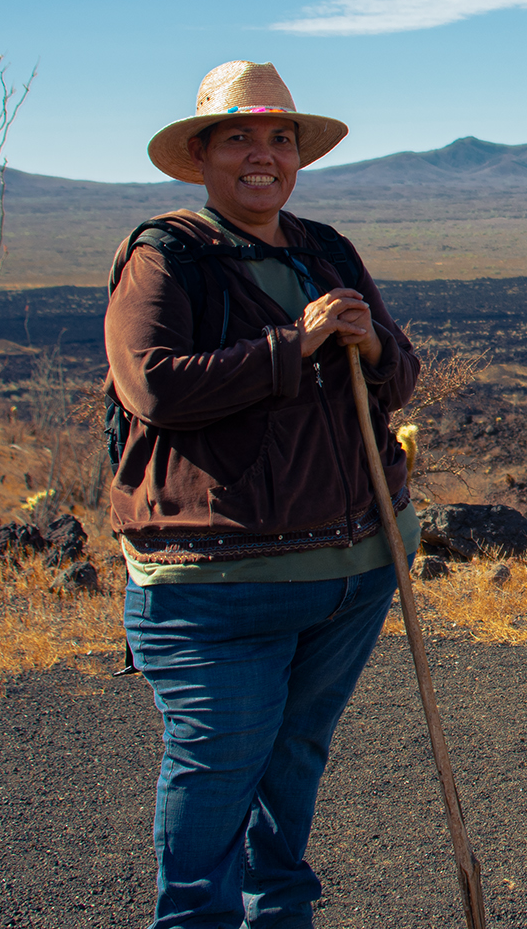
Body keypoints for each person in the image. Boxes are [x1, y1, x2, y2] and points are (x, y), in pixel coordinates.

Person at [105, 60, 420, 928]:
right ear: (200, 155)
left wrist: (370, 348)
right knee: (217, 771)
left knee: (293, 765)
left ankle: (281, 918)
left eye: (280, 138)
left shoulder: (326, 249)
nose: (264, 155)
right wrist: (296, 344)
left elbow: (401, 375)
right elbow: (155, 388)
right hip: (219, 582)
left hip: (357, 566)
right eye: (239, 136)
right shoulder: (165, 255)